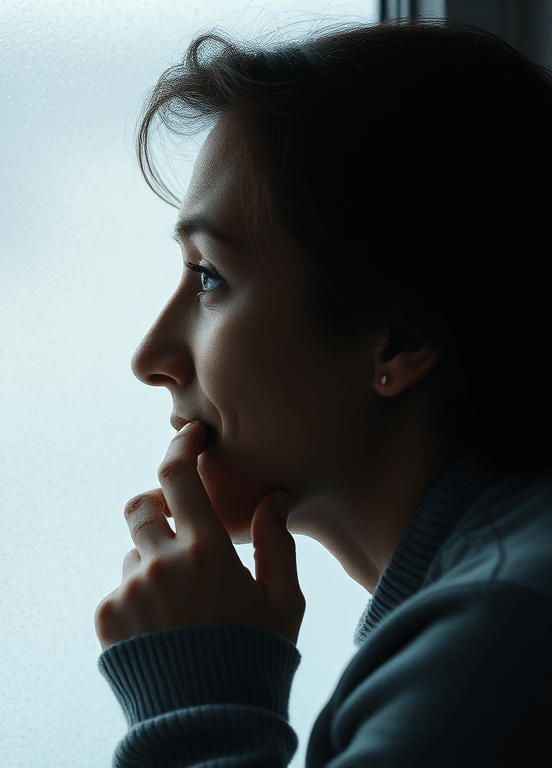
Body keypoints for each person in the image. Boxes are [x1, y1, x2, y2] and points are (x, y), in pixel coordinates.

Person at [94, 17, 552, 767]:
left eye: (211, 277)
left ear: (398, 341)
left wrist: (199, 706)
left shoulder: (499, 642)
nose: (152, 358)